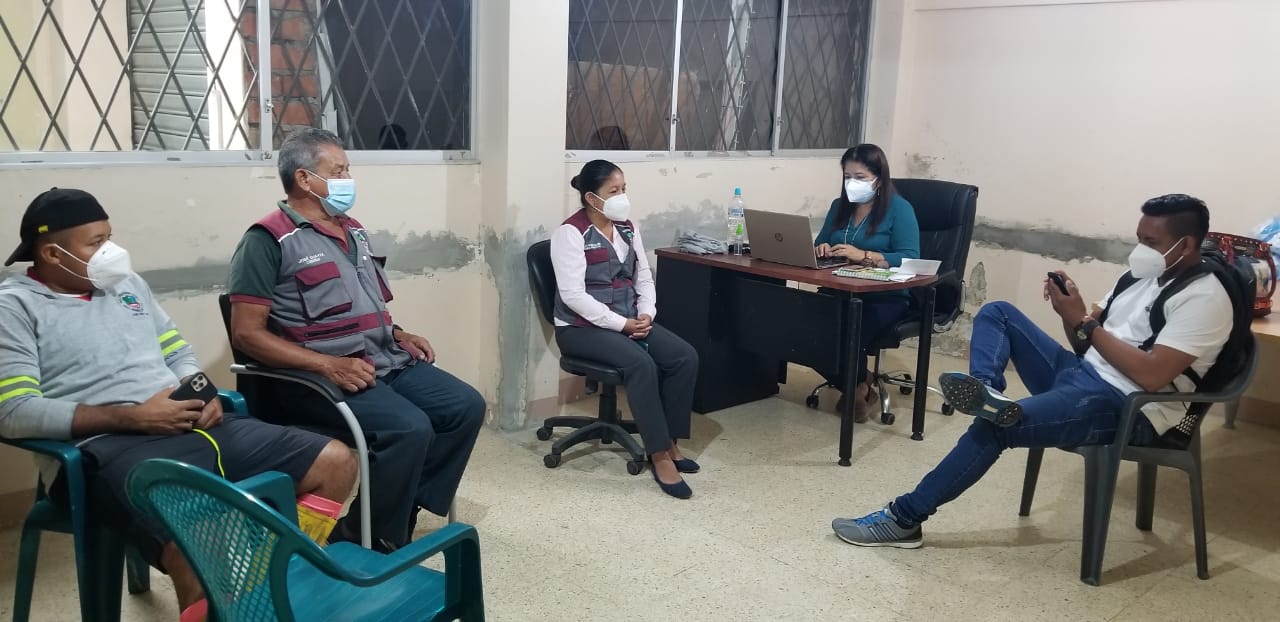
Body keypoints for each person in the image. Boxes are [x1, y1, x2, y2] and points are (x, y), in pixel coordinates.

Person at [0, 188, 357, 618]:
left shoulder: (128, 285)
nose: (111, 251)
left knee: (335, 463)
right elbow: (13, 412)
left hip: (187, 422)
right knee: (199, 542)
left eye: (109, 237)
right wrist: (132, 418)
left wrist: (200, 392)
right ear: (53, 255)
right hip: (104, 446)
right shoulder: (14, 308)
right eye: (96, 243)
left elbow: (177, 353)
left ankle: (268, 580)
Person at [833, 194, 1231, 548]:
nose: (1141, 250)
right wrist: (1069, 312)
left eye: (1152, 243)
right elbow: (1084, 343)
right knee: (998, 312)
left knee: (995, 428)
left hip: (1128, 406)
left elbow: (1152, 376)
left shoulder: (1204, 298)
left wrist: (1084, 321)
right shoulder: (1138, 278)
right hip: (1084, 372)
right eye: (1139, 239)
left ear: (1186, 245)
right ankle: (986, 390)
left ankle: (904, 520)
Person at [227, 128, 486, 551]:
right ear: (304, 179)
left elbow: (359, 306)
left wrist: (399, 333)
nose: (349, 179)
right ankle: (366, 537)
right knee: (409, 428)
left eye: (347, 170)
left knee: (465, 407)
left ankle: (396, 512)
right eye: (338, 171)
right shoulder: (267, 240)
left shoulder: (353, 231)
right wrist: (327, 365)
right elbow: (247, 333)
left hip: (384, 360)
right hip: (319, 378)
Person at [551, 159, 700, 499]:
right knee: (641, 363)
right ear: (591, 198)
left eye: (624, 189)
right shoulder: (570, 233)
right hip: (580, 329)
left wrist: (647, 313)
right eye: (613, 191)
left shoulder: (628, 228)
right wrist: (622, 324)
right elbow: (573, 296)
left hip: (628, 319)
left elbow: (642, 276)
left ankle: (670, 441)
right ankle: (659, 455)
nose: (622, 197)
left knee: (684, 357)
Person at [812, 144, 921, 422]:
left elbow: (910, 257)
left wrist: (865, 256)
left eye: (860, 177)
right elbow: (819, 242)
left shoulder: (899, 209)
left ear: (879, 179)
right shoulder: (839, 207)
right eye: (847, 177)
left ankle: (857, 387)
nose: (852, 183)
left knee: (847, 330)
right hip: (839, 290)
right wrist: (821, 248)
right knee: (804, 330)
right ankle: (861, 380)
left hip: (884, 298)